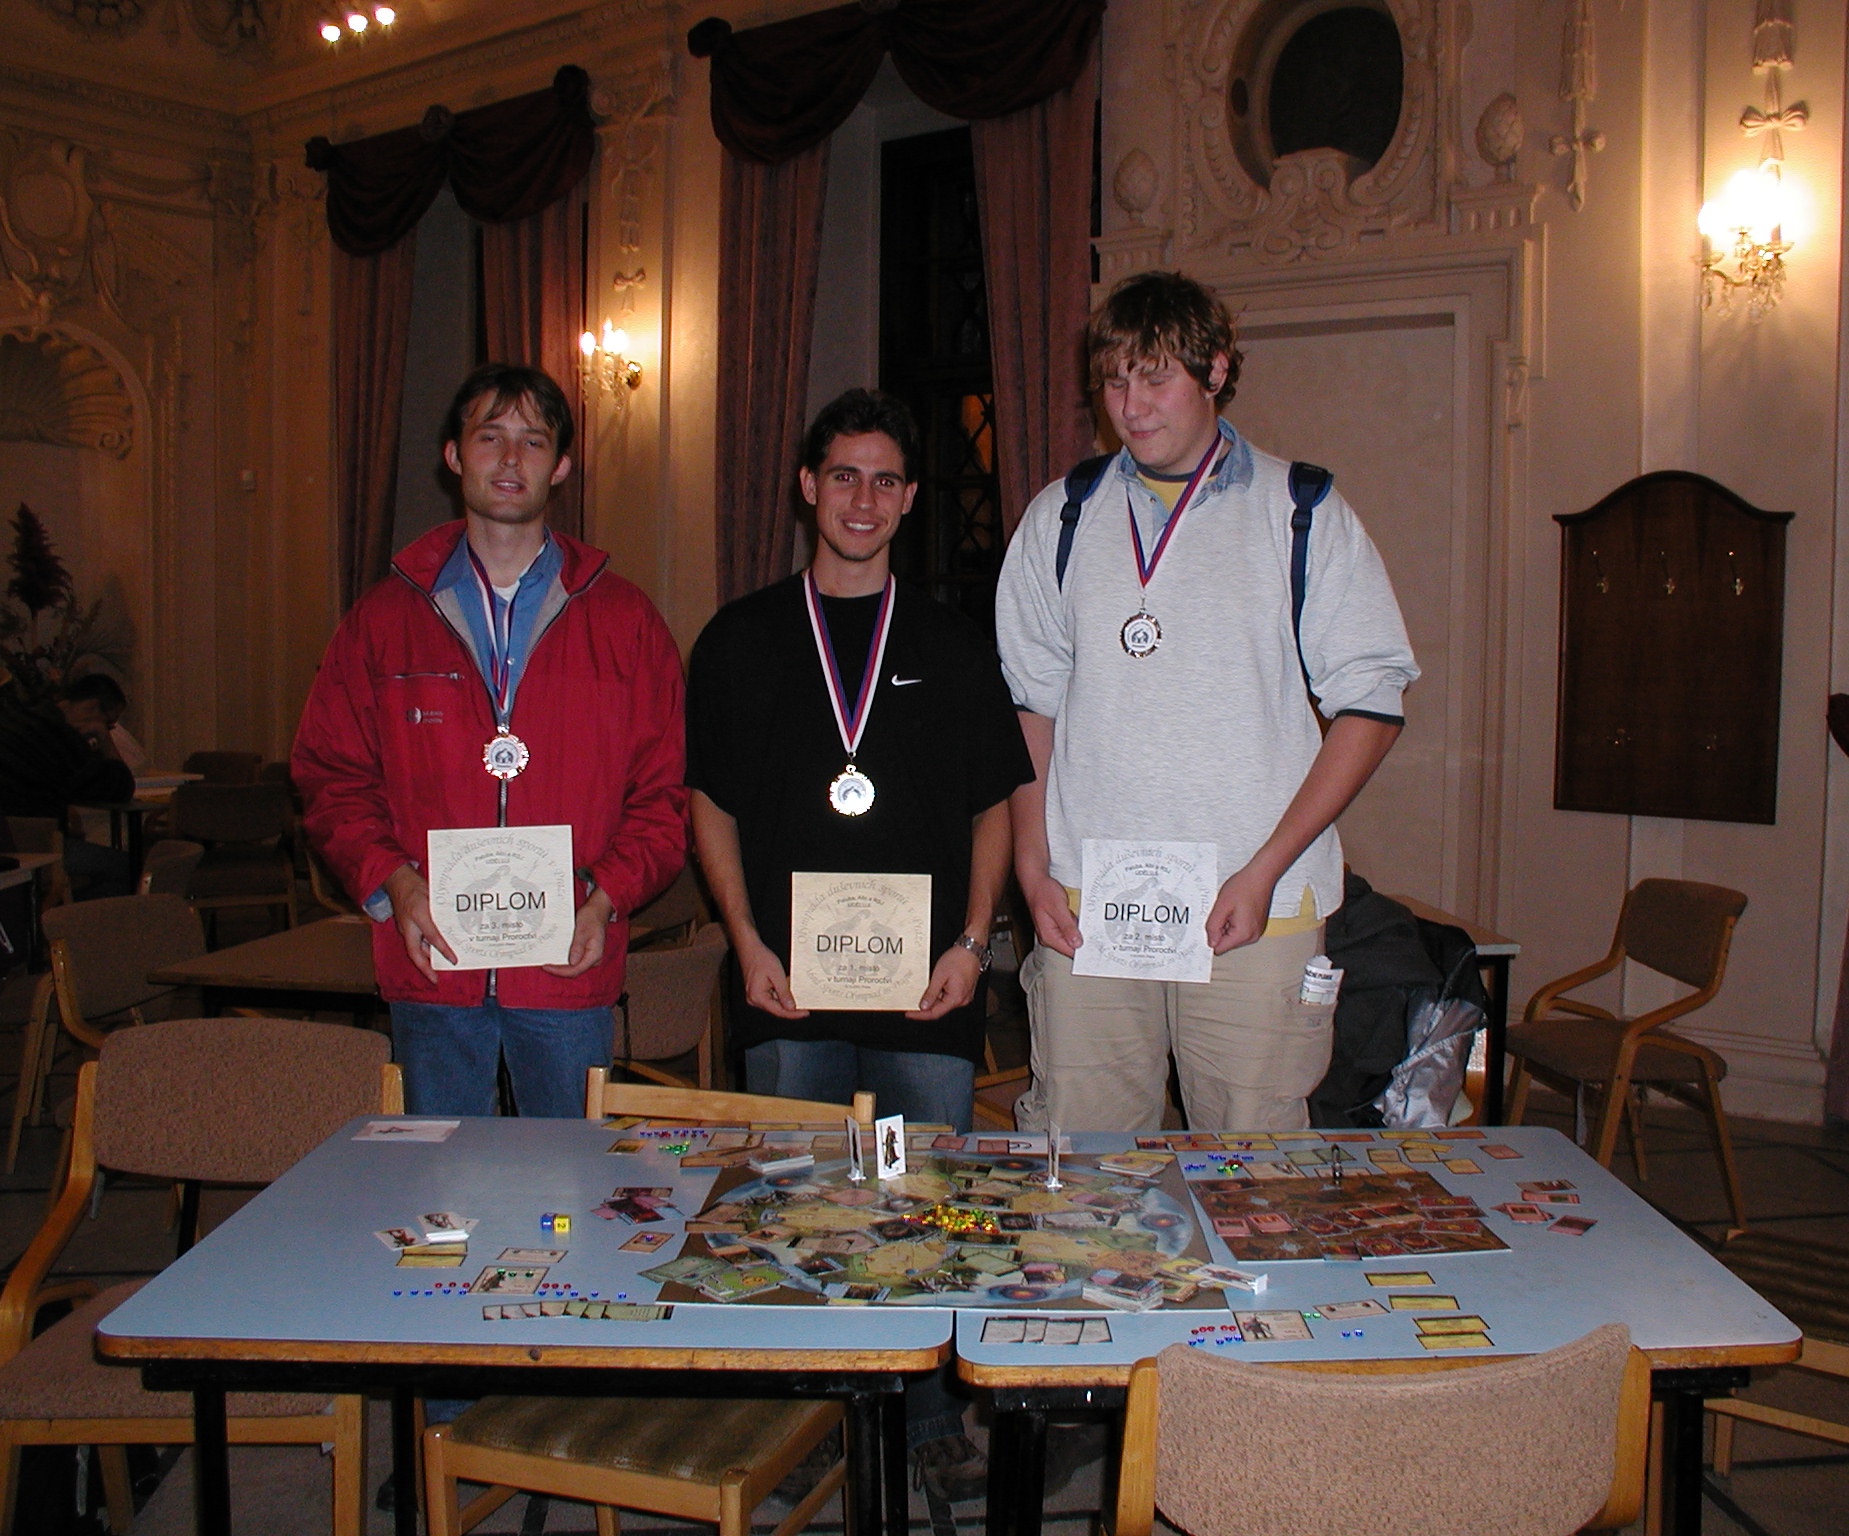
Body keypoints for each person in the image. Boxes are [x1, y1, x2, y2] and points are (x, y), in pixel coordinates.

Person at [685, 387, 1031, 1500]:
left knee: (918, 1197)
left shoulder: (950, 643)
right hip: (784, 984)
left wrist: (973, 943)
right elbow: (711, 805)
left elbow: (992, 805)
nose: (863, 499)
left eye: (885, 480)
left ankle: (926, 1414)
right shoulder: (739, 639)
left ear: (911, 497)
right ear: (808, 486)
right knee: (795, 1202)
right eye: (843, 475)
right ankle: (807, 1412)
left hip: (925, 988)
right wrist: (744, 941)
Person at [995, 269, 1419, 1133]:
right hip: (1090, 909)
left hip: (1254, 912)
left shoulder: (1300, 511)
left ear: (1216, 369)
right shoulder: (1062, 518)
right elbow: (1030, 707)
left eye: (1155, 378)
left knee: (1249, 1170)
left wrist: (1264, 871)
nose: (1131, 407)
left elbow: (1372, 708)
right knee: (1086, 1167)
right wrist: (1033, 870)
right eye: (1115, 381)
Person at [293, 363, 688, 1118]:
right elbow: (330, 776)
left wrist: (606, 899)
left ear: (561, 465)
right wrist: (394, 883)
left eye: (533, 441)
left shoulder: (626, 622)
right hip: (433, 958)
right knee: (442, 1178)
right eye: (490, 437)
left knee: (568, 1175)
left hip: (568, 960)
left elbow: (662, 796)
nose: (511, 459)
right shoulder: (382, 620)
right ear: (453, 455)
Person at [0, 678, 133, 899]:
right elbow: (119, 788)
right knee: (129, 866)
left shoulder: (20, 717)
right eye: (109, 724)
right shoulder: (59, 735)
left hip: (10, 840)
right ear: (93, 707)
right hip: (33, 846)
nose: (107, 729)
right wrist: (104, 739)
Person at [59, 674, 147, 774]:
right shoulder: (50, 735)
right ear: (92, 707)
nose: (106, 729)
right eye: (107, 723)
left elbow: (119, 779)